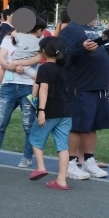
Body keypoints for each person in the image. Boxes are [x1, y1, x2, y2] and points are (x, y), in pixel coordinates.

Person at [57, 11, 109, 180]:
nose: (94, 15)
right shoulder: (70, 30)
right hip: (80, 86)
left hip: (98, 86)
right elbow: (62, 55)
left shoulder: (92, 30)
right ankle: (70, 164)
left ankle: (89, 161)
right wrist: (82, 48)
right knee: (77, 127)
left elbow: (101, 53)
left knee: (92, 126)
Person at [0, 16, 46, 167]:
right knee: (0, 122)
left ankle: (27, 157)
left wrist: (18, 64)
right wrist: (12, 66)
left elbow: (38, 58)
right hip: (9, 85)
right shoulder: (8, 38)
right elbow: (0, 59)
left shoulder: (38, 39)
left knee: (28, 125)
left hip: (28, 87)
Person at [29, 37, 79, 189]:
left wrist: (41, 111)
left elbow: (40, 91)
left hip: (50, 110)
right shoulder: (68, 68)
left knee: (35, 138)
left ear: (44, 51)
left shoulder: (44, 68)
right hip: (67, 110)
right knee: (62, 145)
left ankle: (40, 167)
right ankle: (61, 180)